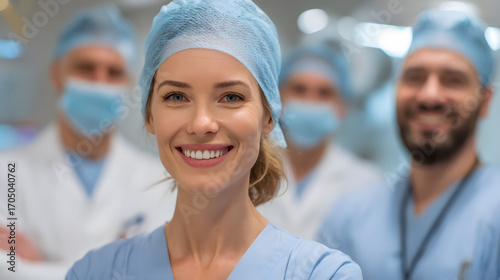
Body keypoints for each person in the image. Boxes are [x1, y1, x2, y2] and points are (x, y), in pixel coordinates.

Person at [65, 1, 362, 279]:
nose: (201, 123)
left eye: (231, 97)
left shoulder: (324, 274)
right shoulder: (96, 272)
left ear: (268, 116)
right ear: (149, 116)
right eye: (176, 96)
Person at [317, 9, 500, 280]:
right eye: (415, 77)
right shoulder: (349, 217)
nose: (429, 96)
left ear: (484, 101)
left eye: (453, 80)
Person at [0, 4, 175, 279]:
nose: (100, 82)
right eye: (86, 68)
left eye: (113, 72)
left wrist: (39, 267)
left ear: (128, 83)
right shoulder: (7, 171)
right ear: (57, 74)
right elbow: (6, 270)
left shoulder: (158, 181)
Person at [258, 44, 381, 240]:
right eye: (299, 89)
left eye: (324, 93)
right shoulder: (249, 171)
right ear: (277, 98)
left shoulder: (366, 183)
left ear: (342, 106)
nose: (311, 100)